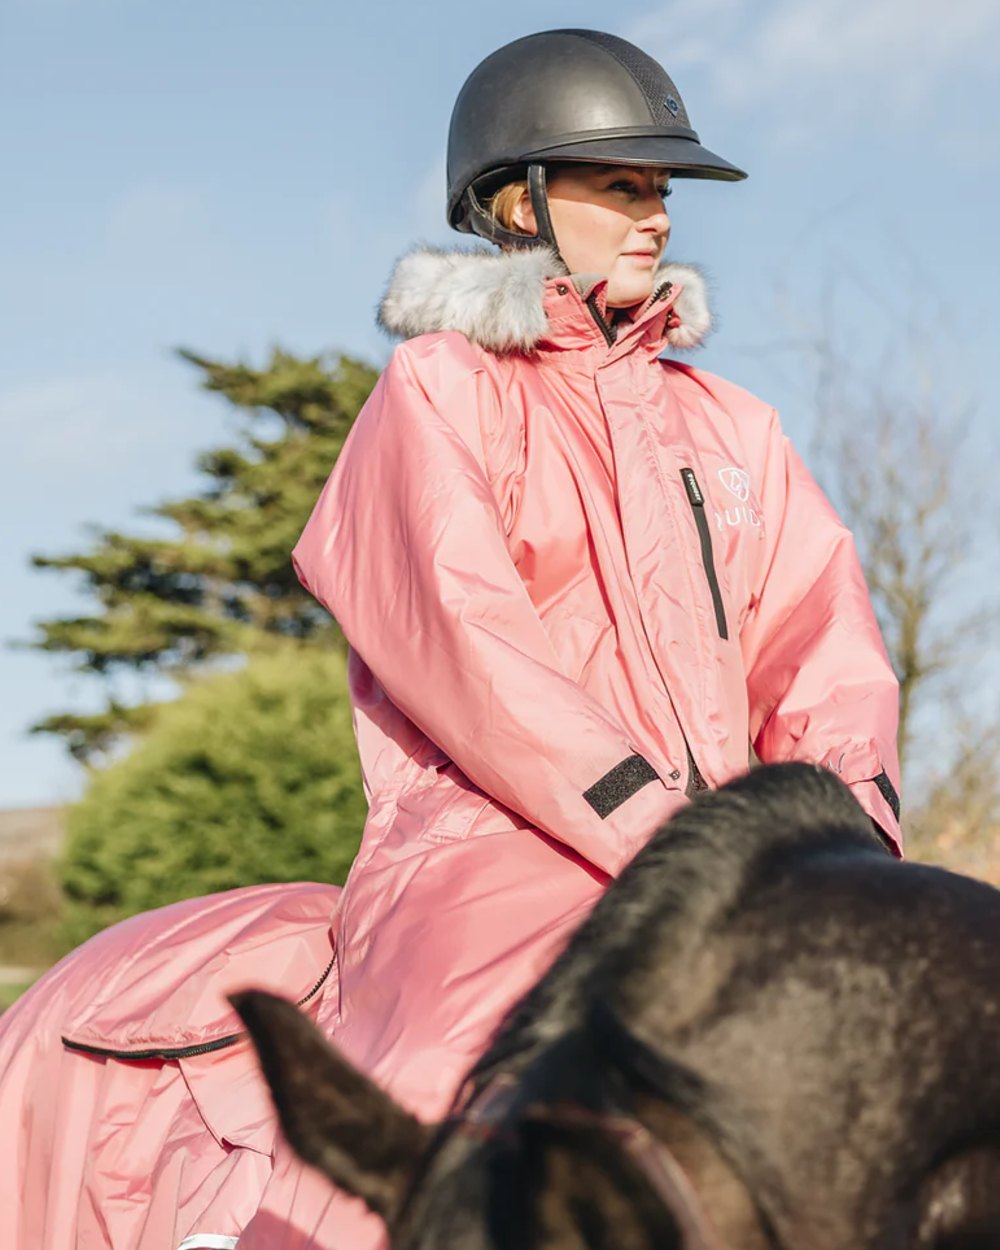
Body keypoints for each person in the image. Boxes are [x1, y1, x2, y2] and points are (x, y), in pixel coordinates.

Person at [235, 26, 901, 1249]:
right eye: (622, 185)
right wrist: (652, 821)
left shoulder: (736, 426)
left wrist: (843, 837)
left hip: (730, 850)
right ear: (515, 199)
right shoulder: (439, 388)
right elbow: (463, 636)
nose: (655, 217)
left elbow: (822, 638)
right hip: (497, 839)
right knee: (449, 1079)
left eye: (660, 192)